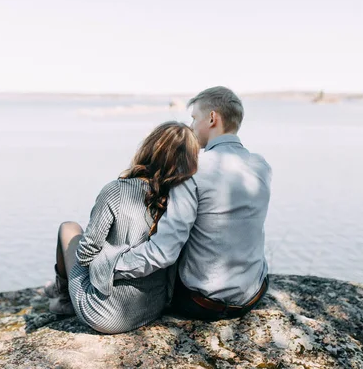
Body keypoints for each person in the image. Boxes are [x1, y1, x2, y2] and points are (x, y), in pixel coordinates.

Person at [107, 86, 272, 320]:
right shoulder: (261, 166)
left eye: (194, 118)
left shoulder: (194, 168)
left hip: (203, 304)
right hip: (253, 296)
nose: (192, 127)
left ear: (213, 118)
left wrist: (110, 266)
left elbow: (164, 253)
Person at [44, 121, 200, 334]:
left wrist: (104, 264)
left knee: (69, 229)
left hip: (105, 314)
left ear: (148, 148)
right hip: (151, 308)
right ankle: (59, 291)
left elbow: (85, 255)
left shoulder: (116, 191)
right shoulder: (182, 200)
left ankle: (63, 298)